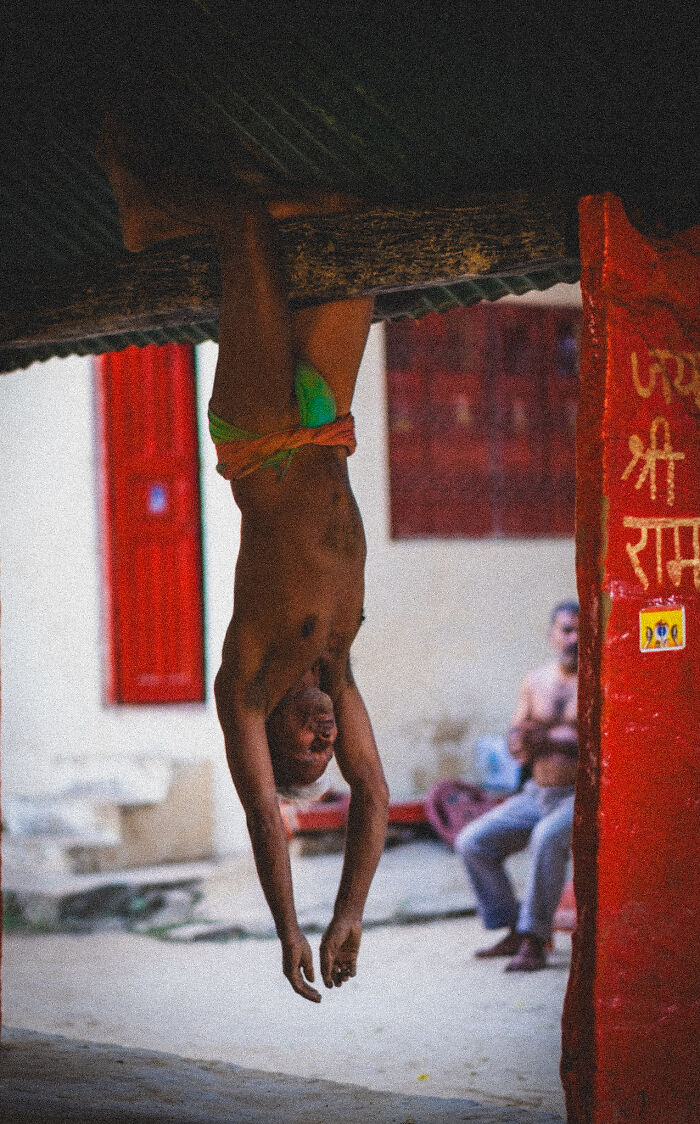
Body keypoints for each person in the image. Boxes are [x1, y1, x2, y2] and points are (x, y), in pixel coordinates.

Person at [98, 121, 389, 1003]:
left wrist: (290, 927)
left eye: (305, 750)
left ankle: (147, 208)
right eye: (327, 751)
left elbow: (264, 813)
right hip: (325, 427)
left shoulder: (249, 678)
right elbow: (374, 795)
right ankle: (190, 208)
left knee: (246, 222)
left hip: (262, 434)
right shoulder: (334, 666)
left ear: (268, 735)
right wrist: (351, 913)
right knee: (352, 222)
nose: (325, 740)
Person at [454, 602, 579, 971]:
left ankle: (535, 939)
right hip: (537, 793)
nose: (573, 639)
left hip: (579, 796)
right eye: (566, 630)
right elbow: (516, 729)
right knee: (472, 841)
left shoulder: (600, 679)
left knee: (546, 837)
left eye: (581, 631)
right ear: (552, 635)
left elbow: (606, 741)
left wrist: (551, 742)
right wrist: (516, 742)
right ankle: (514, 928)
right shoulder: (535, 680)